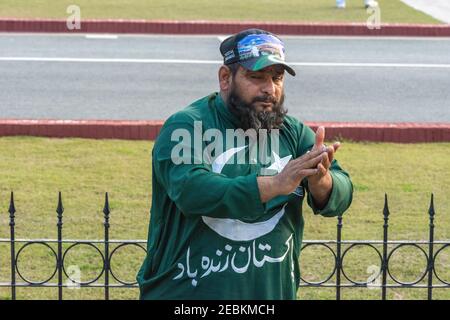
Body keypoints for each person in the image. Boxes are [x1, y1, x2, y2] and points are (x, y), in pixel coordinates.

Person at [137, 28, 353, 300]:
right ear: (225, 78)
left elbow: (343, 189)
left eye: (277, 78)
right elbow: (191, 190)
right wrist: (275, 185)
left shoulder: (293, 132)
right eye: (256, 77)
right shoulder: (187, 127)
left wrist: (322, 183)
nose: (270, 89)